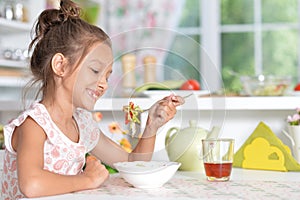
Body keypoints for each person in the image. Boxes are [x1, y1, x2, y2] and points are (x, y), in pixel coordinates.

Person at [1, 0, 185, 199]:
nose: (104, 84)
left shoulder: (83, 125)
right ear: (60, 65)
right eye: (95, 70)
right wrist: (87, 180)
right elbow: (31, 184)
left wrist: (151, 126)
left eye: (107, 76)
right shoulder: (34, 125)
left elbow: (132, 163)